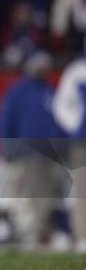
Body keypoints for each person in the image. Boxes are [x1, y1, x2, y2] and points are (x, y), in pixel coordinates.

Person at [0, 52, 68, 250]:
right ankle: (30, 233)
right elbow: (5, 122)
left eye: (45, 66)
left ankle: (49, 232)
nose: (42, 69)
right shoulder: (18, 92)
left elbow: (62, 124)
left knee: (51, 194)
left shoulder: (52, 92)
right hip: (26, 152)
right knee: (27, 195)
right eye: (38, 65)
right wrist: (8, 148)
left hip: (51, 154)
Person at [53, 53, 86, 253]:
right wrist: (75, 127)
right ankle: (82, 235)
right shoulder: (76, 71)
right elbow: (61, 105)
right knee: (82, 188)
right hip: (82, 142)